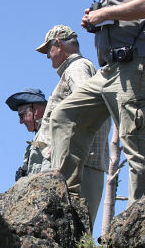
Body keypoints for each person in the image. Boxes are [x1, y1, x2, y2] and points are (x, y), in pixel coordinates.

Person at [51, 0, 145, 208]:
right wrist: (98, 18)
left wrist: (103, 13)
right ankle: (66, 201)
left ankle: (138, 225)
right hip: (109, 69)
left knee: (136, 145)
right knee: (65, 115)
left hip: (132, 65)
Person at [35, 25, 111, 228]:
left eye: (47, 50)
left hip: (78, 163)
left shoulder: (76, 68)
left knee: (71, 227)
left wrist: (56, 148)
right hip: (86, 161)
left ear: (57, 44)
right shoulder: (83, 67)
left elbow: (86, 107)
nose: (47, 56)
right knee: (77, 228)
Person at [6, 88, 47, 180]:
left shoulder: (50, 132)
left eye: (22, 115)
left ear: (35, 111)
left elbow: (49, 175)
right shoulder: (41, 136)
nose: (21, 121)